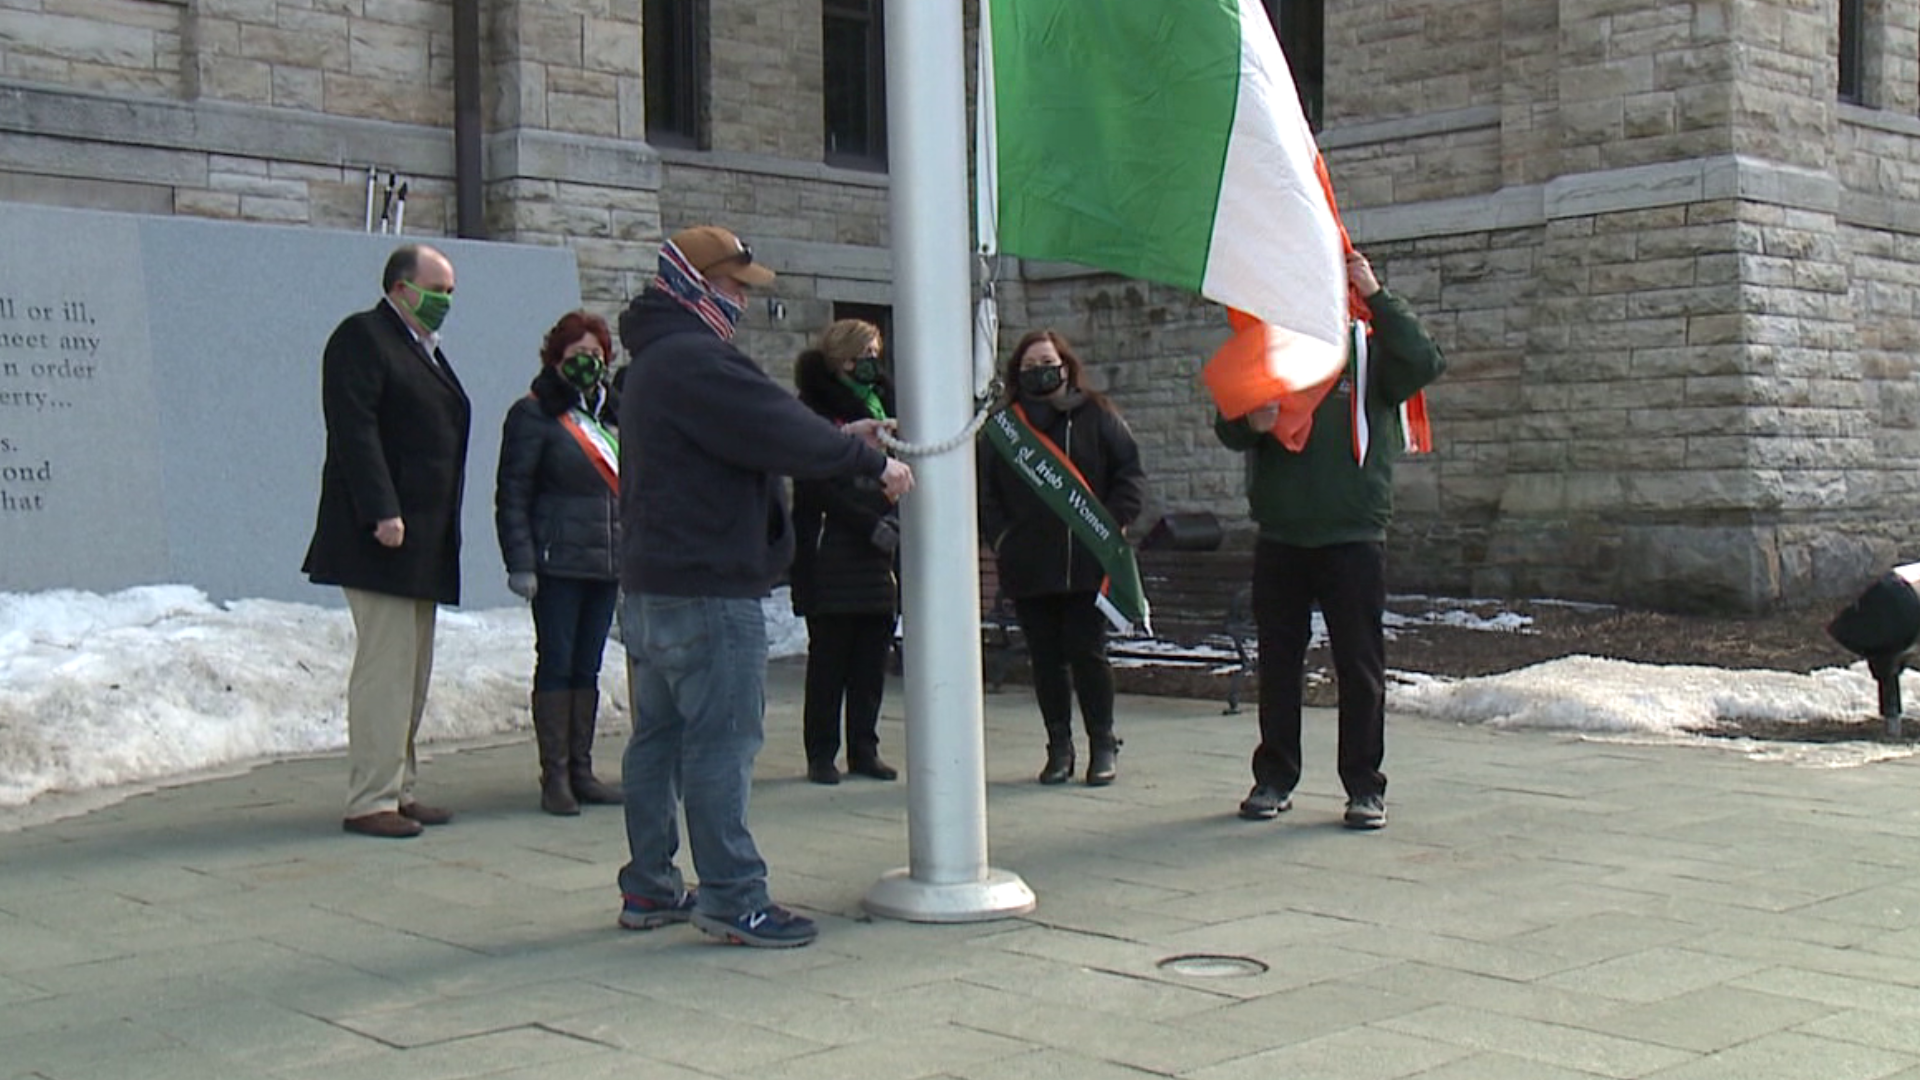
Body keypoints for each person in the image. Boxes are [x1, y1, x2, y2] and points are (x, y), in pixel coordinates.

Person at [613, 225, 914, 948]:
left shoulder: (658, 359)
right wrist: (866, 462)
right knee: (722, 742)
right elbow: (775, 426)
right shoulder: (698, 360)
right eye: (737, 285)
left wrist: (846, 441)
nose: (745, 299)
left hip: (654, 583)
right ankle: (732, 896)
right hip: (709, 587)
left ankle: (651, 888)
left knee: (659, 739)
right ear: (697, 282)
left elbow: (759, 429)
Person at [1214, 250, 1445, 830]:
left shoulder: (1368, 349)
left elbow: (1423, 360)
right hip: (1283, 534)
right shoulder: (1274, 347)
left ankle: (1365, 786)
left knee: (1359, 667)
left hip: (1352, 534)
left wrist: (1377, 293)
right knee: (1279, 665)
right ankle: (1274, 777)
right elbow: (1228, 420)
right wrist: (1250, 422)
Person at [302, 244, 470, 839]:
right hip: (380, 539)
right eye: (438, 289)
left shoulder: (422, 349)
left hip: (420, 543)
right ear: (401, 288)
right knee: (385, 669)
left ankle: (399, 788)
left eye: (450, 291)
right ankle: (369, 798)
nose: (446, 301)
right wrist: (382, 510)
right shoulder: (364, 338)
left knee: (412, 672)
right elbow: (354, 429)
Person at [978, 329, 1146, 787]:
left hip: (1087, 560)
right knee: (1046, 660)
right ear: (1018, 374)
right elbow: (985, 494)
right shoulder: (1003, 430)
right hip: (1029, 564)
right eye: (1030, 366)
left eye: (1048, 362)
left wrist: (1113, 523)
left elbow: (1128, 474)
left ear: (1066, 366)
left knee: (1089, 655)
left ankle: (1102, 743)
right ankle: (1058, 746)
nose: (1041, 372)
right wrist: (1005, 538)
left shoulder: (1098, 415)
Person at [494, 310, 626, 816]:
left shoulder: (613, 414)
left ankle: (582, 768)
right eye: (577, 356)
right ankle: (555, 778)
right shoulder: (533, 415)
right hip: (556, 563)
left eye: (596, 356)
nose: (588, 365)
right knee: (557, 663)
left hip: (605, 562)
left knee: (588, 668)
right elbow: (513, 493)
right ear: (555, 359)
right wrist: (520, 561)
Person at [789, 319, 902, 786]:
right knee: (830, 659)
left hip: (880, 547)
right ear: (842, 360)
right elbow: (812, 484)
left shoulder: (888, 405)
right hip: (830, 546)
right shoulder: (813, 412)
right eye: (864, 353)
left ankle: (864, 748)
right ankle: (821, 752)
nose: (873, 362)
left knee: (871, 661)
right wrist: (867, 521)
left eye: (877, 351)